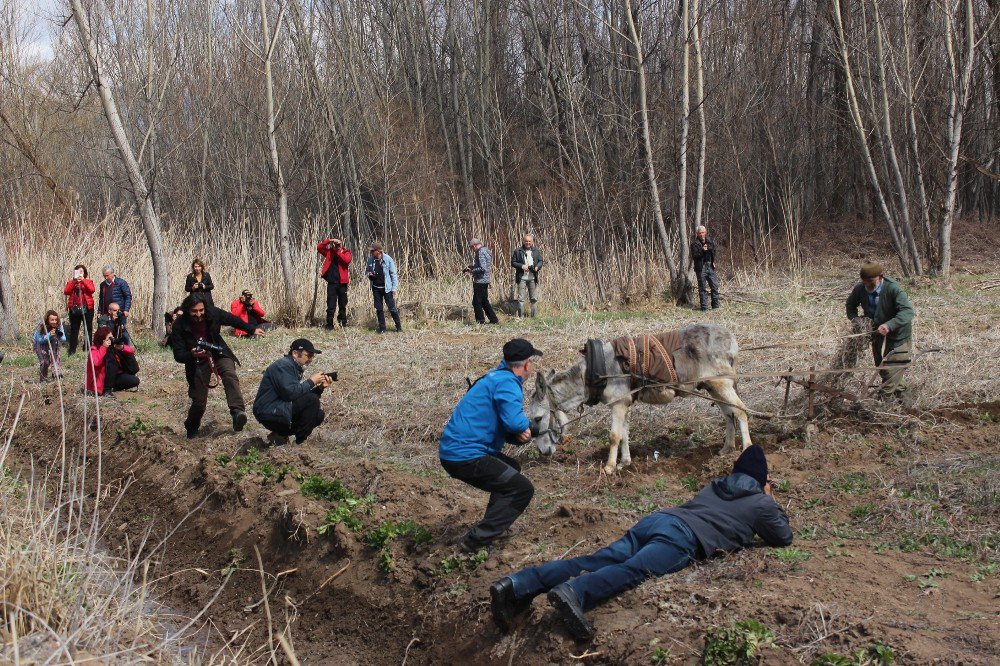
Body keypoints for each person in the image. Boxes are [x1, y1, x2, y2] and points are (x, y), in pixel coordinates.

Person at [489, 445, 792, 640]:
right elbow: (782, 536)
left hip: (659, 521)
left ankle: (517, 584)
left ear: (736, 471)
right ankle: (575, 593)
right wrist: (770, 496)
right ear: (761, 480)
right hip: (683, 538)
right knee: (633, 570)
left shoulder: (716, 485)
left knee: (597, 559)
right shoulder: (760, 503)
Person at [439, 339, 542, 552]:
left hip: (455, 451)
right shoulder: (508, 383)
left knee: (511, 469)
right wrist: (529, 426)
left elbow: (500, 424)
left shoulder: (493, 377)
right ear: (527, 364)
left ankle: (492, 528)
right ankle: (475, 542)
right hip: (465, 456)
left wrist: (520, 433)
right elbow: (515, 422)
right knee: (522, 489)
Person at [170, 294, 265, 439]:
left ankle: (237, 412)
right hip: (196, 361)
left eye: (201, 310)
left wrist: (251, 329)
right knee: (199, 402)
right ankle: (192, 426)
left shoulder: (212, 313)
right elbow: (178, 355)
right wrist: (192, 354)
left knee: (229, 374)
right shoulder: (179, 325)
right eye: (194, 311)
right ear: (187, 310)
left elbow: (232, 319)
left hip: (218, 351)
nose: (199, 314)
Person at [845, 262, 915, 401]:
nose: (868, 285)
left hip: (897, 337)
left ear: (880, 276)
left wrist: (889, 325)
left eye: (871, 281)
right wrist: (855, 319)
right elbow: (850, 304)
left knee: (891, 370)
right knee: (883, 369)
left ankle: (882, 403)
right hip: (876, 336)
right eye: (865, 282)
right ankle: (905, 399)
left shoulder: (893, 289)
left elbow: (907, 311)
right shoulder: (860, 289)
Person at [253, 338, 334, 446]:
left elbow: (297, 396)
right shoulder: (283, 365)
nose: (311, 359)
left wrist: (320, 388)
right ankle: (299, 443)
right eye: (308, 355)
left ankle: (279, 435)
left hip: (278, 409)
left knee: (318, 415)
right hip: (268, 411)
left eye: (312, 356)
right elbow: (290, 394)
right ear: (295, 353)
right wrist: (312, 381)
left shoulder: (293, 367)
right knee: (312, 400)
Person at [85, 326, 140, 396]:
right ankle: (107, 390)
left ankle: (113, 388)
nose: (111, 340)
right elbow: (95, 363)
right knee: (111, 359)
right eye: (109, 338)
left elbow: (131, 351)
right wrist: (103, 347)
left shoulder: (113, 348)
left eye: (112, 337)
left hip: (115, 376)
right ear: (102, 340)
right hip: (101, 380)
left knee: (135, 381)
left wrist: (122, 348)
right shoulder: (94, 349)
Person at [365, 242, 402, 333]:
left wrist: (394, 288)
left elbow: (393, 274)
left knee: (392, 308)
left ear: (379, 251)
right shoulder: (370, 260)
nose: (371, 253)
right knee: (379, 308)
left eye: (373, 251)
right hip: (376, 288)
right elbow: (367, 271)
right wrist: (369, 274)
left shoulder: (388, 259)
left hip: (387, 289)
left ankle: (398, 327)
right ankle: (382, 328)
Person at [317, 236, 352, 328]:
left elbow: (347, 260)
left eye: (338, 244)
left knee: (342, 304)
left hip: (342, 283)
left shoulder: (346, 252)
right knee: (330, 305)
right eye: (335, 244)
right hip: (332, 283)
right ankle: (329, 324)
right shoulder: (329, 253)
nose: (336, 245)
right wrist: (329, 240)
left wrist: (339, 251)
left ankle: (342, 323)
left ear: (341, 244)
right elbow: (319, 247)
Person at [463, 238, 499, 325]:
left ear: (474, 245)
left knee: (476, 302)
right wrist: (473, 266)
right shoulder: (486, 250)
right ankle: (494, 320)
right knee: (484, 301)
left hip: (480, 280)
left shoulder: (480, 252)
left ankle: (480, 321)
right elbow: (484, 265)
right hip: (485, 280)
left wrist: (472, 271)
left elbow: (483, 268)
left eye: (472, 247)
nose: (472, 249)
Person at [63, 264, 96, 355]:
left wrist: (83, 281)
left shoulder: (88, 281)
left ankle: (87, 347)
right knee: (74, 328)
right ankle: (72, 349)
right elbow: (66, 291)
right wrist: (74, 281)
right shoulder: (71, 282)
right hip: (74, 309)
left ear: (85, 273)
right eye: (77, 272)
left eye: (81, 272)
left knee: (88, 328)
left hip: (87, 308)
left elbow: (92, 290)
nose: (79, 274)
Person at [510, 234, 543, 317]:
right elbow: (513, 263)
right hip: (522, 277)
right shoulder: (517, 251)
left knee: (534, 298)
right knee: (521, 299)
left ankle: (534, 316)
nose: (528, 243)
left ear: (532, 242)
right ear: (523, 241)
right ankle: (521, 317)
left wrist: (537, 267)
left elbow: (540, 261)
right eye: (526, 241)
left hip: (532, 277)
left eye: (529, 241)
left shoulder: (536, 251)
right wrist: (522, 266)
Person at [691, 225, 720, 311]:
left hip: (709, 266)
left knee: (714, 286)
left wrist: (713, 261)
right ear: (697, 234)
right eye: (700, 233)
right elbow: (695, 256)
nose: (701, 234)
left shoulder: (709, 241)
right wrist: (702, 251)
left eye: (703, 232)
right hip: (700, 267)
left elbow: (713, 251)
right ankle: (704, 308)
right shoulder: (694, 244)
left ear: (705, 232)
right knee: (702, 288)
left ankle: (715, 306)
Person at [32, 310, 66, 382]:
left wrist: (58, 334)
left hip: (53, 341)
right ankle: (43, 379)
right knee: (45, 361)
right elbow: (40, 340)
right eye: (52, 320)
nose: (54, 322)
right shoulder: (41, 325)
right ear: (47, 319)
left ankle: (56, 375)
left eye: (56, 320)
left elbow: (63, 339)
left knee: (55, 359)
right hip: (40, 343)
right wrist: (49, 335)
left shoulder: (59, 325)